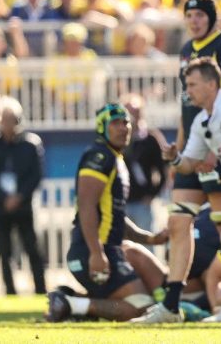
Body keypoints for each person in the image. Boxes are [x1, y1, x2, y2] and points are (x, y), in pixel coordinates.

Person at [137, 57, 221, 323]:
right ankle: (203, 307)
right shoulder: (200, 122)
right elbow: (188, 164)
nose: (188, 91)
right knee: (211, 230)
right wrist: (174, 158)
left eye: (193, 84)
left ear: (211, 84)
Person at [147, 0, 221, 322]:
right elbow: (186, 109)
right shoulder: (186, 50)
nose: (193, 20)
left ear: (212, 18)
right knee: (178, 222)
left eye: (199, 14)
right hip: (192, 148)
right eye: (188, 15)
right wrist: (178, 156)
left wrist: (217, 153)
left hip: (218, 152)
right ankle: (171, 305)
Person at [46, 103, 168, 322]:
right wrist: (96, 252)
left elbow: (116, 217)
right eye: (115, 123)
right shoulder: (99, 156)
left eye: (126, 122)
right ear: (102, 127)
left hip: (107, 249)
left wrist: (150, 237)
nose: (123, 128)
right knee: (142, 307)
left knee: (151, 297)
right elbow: (86, 205)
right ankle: (71, 305)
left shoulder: (116, 158)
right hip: (90, 251)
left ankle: (71, 301)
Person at [0, 96, 46, 295]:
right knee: (4, 252)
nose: (8, 125)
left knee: (32, 248)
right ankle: (10, 290)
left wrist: (19, 196)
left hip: (23, 206)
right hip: (0, 207)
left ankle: (41, 289)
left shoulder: (30, 144)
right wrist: (3, 199)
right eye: (4, 120)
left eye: (12, 120)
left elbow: (36, 175)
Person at [121, 93, 167, 233]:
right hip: (122, 203)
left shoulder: (150, 139)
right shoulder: (118, 139)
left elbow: (163, 170)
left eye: (135, 112)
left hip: (142, 203)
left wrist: (152, 195)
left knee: (145, 245)